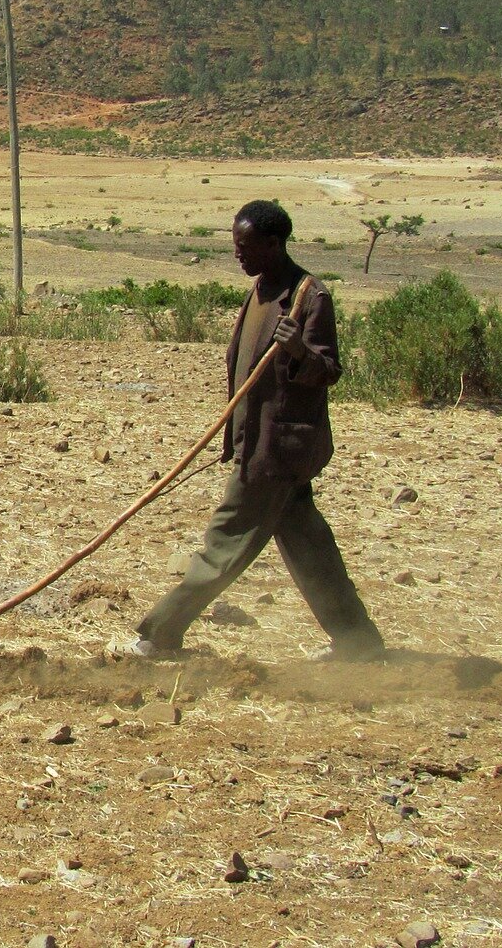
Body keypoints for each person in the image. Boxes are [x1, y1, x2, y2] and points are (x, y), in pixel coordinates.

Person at [112, 199, 385, 662]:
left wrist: (299, 349)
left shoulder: (308, 297)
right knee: (311, 551)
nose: (238, 255)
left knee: (223, 544)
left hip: (275, 453)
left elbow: (329, 370)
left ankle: (160, 634)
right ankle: (358, 642)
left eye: (246, 247)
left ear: (275, 244)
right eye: (236, 247)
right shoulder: (261, 289)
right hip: (256, 446)